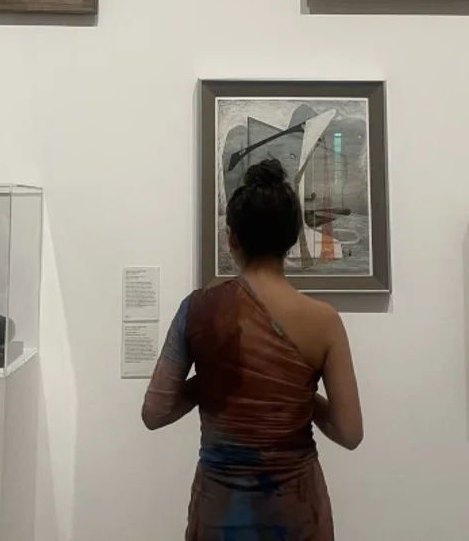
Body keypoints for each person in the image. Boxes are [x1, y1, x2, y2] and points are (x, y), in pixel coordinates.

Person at [142, 158, 363, 540]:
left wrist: (216, 377)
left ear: (232, 238)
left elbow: (155, 412)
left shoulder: (198, 309)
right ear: (293, 237)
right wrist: (295, 391)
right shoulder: (323, 321)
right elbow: (349, 432)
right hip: (296, 514)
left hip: (220, 513)